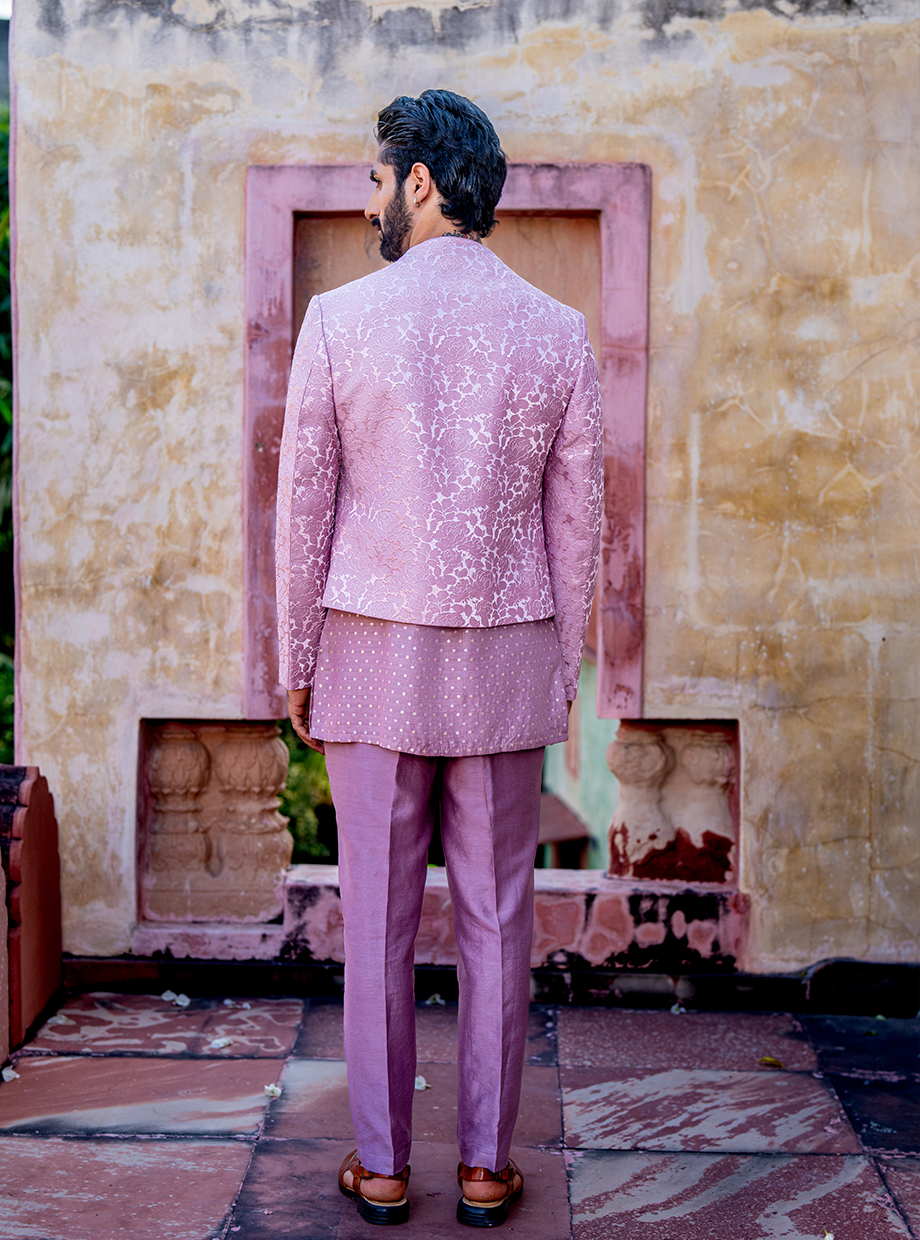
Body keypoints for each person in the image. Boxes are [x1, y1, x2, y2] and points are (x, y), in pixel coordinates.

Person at [275, 89, 603, 1227]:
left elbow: (301, 510)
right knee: (498, 914)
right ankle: (481, 1165)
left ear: (421, 180)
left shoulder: (339, 320)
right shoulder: (557, 331)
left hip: (368, 650)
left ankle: (378, 1166)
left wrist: (295, 655)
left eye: (376, 176)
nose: (369, 196)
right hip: (507, 657)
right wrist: (562, 669)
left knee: (374, 918)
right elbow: (578, 526)